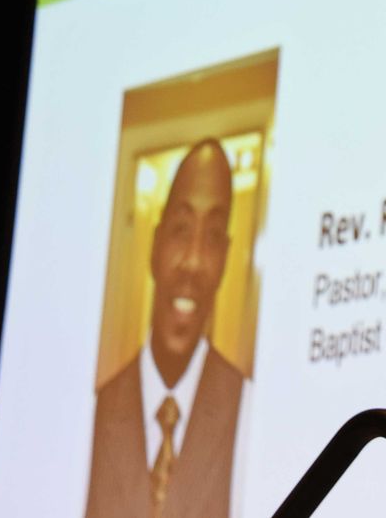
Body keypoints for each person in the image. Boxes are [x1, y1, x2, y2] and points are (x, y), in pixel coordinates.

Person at [85, 139, 247, 518]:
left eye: (211, 237)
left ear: (225, 256)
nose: (192, 261)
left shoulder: (248, 405)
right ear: (155, 245)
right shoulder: (96, 407)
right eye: (181, 229)